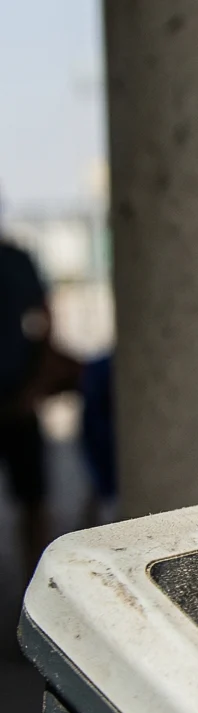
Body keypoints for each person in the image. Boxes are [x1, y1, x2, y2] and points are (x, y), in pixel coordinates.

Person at [0, 209, 53, 575]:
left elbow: (45, 321)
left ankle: (35, 583)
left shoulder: (16, 260)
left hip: (17, 398)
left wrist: (33, 387)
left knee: (33, 499)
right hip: (19, 394)